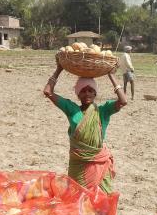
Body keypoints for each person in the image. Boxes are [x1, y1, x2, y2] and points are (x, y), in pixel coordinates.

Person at [43, 59, 128, 193]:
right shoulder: (72, 109)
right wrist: (59, 69)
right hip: (78, 165)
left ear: (95, 93)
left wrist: (111, 75)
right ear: (78, 94)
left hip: (98, 163)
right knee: (76, 199)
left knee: (100, 202)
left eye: (90, 90)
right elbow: (48, 92)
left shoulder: (103, 111)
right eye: (83, 91)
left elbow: (123, 101)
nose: (87, 94)